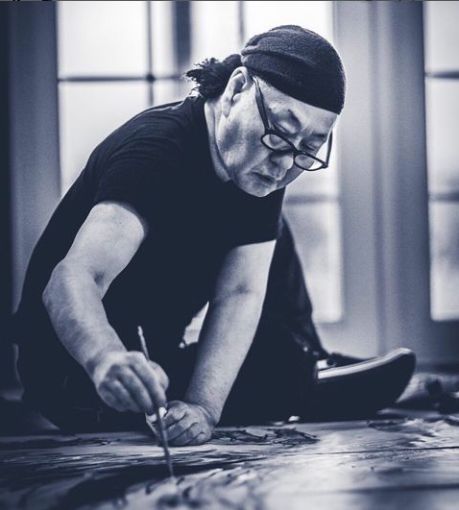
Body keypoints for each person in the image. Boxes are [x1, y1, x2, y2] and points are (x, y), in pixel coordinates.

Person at [13, 25, 411, 446]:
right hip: (73, 371)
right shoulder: (156, 151)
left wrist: (204, 407)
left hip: (158, 357)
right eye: (280, 130)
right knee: (280, 368)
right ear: (237, 89)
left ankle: (309, 364)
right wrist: (104, 359)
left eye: (309, 147)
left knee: (273, 283)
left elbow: (240, 292)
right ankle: (308, 376)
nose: (285, 163)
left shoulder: (266, 161)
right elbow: (73, 278)